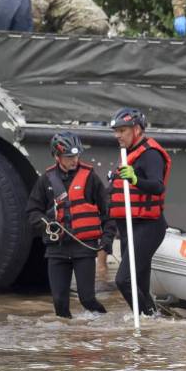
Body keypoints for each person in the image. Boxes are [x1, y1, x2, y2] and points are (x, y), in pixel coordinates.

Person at [26, 132, 110, 318]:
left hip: (83, 249)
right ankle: (66, 342)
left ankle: (106, 327)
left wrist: (107, 238)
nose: (74, 160)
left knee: (87, 299)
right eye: (69, 157)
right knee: (59, 303)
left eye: (77, 155)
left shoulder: (91, 178)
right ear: (57, 156)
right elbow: (32, 212)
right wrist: (46, 224)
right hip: (57, 249)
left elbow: (107, 212)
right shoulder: (45, 180)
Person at [107, 107, 170, 316]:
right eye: (116, 131)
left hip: (148, 227)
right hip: (128, 227)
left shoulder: (151, 154)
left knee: (123, 280)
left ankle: (146, 320)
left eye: (122, 130)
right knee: (140, 286)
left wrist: (135, 179)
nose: (117, 135)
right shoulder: (128, 153)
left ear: (136, 129)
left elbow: (157, 186)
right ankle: (153, 323)